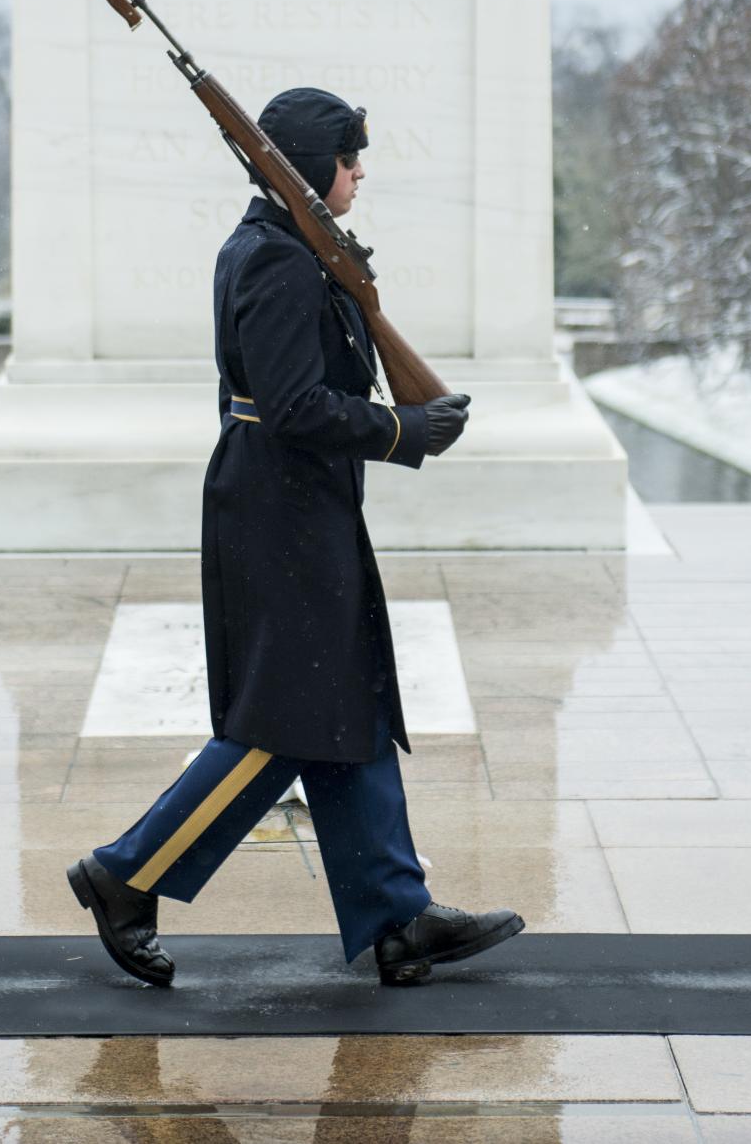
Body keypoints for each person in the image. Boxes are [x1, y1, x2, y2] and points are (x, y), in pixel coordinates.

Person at [69, 86, 523, 989]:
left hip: (293, 506)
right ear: (312, 170)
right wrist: (404, 432)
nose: (359, 174)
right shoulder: (276, 260)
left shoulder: (285, 248)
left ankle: (397, 914)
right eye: (349, 159)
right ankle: (126, 873)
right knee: (281, 727)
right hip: (278, 513)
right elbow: (294, 405)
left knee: (339, 704)